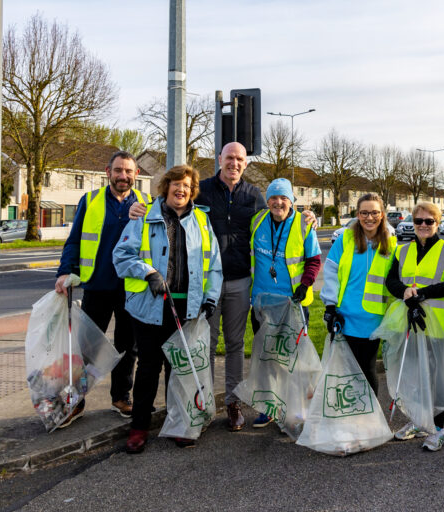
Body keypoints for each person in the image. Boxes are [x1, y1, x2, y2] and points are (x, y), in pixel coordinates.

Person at [129, 142, 316, 432]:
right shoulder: (200, 188)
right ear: (220, 159)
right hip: (204, 284)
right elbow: (171, 203)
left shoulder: (255, 195)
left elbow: (282, 213)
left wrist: (307, 215)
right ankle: (200, 405)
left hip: (242, 282)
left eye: (240, 159)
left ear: (245, 163)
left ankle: (232, 403)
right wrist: (140, 206)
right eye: (229, 157)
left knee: (235, 345)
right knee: (202, 345)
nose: (234, 163)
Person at [114, 165, 223, 453]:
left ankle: (179, 423)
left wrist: (210, 299)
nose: (181, 190)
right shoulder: (144, 216)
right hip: (150, 307)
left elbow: (214, 265)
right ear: (166, 187)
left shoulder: (201, 220)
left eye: (186, 186)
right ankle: (139, 428)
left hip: (187, 308)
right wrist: (148, 272)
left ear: (192, 190)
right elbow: (121, 256)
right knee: (149, 368)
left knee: (181, 370)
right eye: (176, 184)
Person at [54, 151, 152, 427]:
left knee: (127, 346)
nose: (124, 176)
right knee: (86, 349)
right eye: (119, 170)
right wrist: (65, 271)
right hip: (97, 286)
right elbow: (74, 241)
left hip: (132, 288)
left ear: (135, 175)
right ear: (107, 172)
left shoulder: (147, 203)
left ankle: (121, 397)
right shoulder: (91, 200)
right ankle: (75, 402)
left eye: (129, 171)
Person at [385, 201, 444, 452]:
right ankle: (419, 421)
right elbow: (391, 281)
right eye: (418, 221)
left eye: (429, 221)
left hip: (434, 324)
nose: (423, 225)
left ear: (437, 223)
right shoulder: (402, 250)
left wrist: (422, 293)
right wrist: (406, 293)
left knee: (435, 379)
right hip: (407, 320)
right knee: (413, 376)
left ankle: (438, 429)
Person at [248, 178, 321, 427]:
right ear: (267, 200)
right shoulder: (257, 221)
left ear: (291, 201)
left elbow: (314, 260)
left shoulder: (304, 224)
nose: (278, 203)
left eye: (283, 198)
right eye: (273, 198)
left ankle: (296, 409)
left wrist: (306, 284)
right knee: (267, 358)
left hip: (293, 303)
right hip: (262, 302)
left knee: (294, 359)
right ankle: (270, 407)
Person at [320, 193, 396, 396]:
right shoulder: (345, 239)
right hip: (345, 316)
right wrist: (330, 306)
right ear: (357, 214)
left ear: (382, 215)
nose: (369, 218)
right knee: (344, 371)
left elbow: (396, 281)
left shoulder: (391, 244)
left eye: (374, 212)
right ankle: (348, 416)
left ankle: (370, 419)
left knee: (367, 369)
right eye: (364, 212)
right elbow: (330, 272)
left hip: (373, 319)